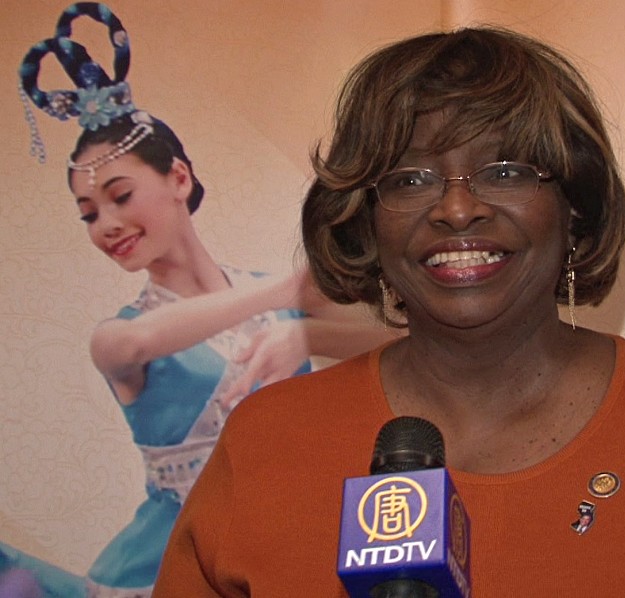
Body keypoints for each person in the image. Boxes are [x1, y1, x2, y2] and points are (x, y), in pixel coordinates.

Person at [154, 27, 625, 596]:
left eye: (506, 171)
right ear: (365, 222)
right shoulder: (268, 440)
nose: (458, 210)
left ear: (575, 207)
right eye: (410, 179)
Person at [9, 4, 395, 597]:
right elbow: (143, 340)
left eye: (120, 196)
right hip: (168, 565)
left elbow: (403, 344)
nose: (106, 224)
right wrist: (288, 292)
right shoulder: (120, 338)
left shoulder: (277, 300)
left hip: (289, 537)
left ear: (179, 179)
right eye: (88, 214)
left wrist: (306, 334)